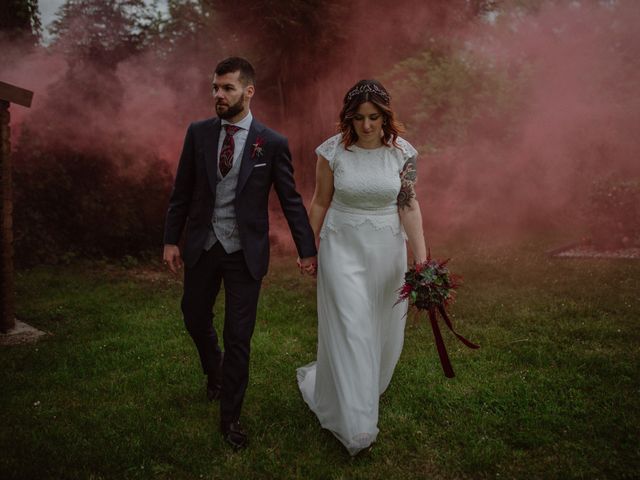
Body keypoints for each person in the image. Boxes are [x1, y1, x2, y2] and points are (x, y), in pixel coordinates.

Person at [163, 57, 317, 450]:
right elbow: (182, 191)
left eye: (227, 88)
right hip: (203, 243)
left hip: (244, 251)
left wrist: (306, 249)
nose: (218, 94)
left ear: (248, 91)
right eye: (215, 87)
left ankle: (230, 416)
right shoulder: (197, 134)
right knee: (193, 316)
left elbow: (290, 200)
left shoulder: (272, 143)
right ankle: (214, 372)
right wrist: (170, 239)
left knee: (239, 335)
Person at [296, 79, 427, 455]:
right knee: (352, 327)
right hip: (342, 247)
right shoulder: (332, 151)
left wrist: (421, 261)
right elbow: (320, 202)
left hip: (387, 250)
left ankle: (363, 389)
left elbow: (409, 204)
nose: (367, 126)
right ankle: (357, 427)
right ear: (348, 119)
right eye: (359, 118)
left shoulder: (403, 153)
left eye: (374, 118)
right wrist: (309, 248)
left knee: (384, 333)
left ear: (386, 117)